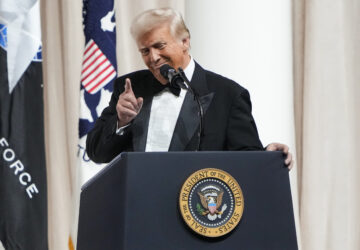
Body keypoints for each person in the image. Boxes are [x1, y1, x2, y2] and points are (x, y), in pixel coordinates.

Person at [86, 7, 293, 168]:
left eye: (159, 46)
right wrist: (121, 121)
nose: (153, 58)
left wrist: (268, 156)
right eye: (145, 51)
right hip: (139, 208)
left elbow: (245, 159)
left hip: (198, 212)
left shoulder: (228, 95)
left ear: (185, 41)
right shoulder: (130, 88)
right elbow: (97, 153)